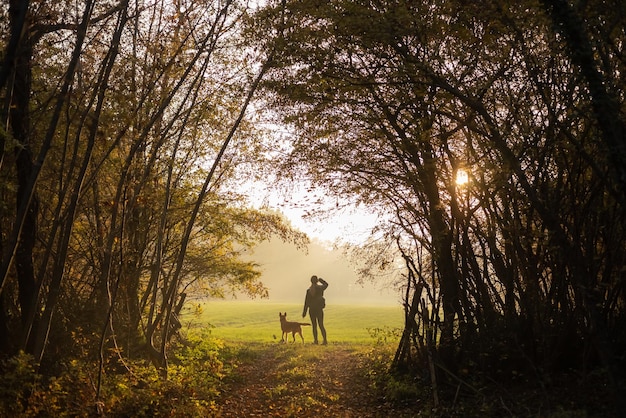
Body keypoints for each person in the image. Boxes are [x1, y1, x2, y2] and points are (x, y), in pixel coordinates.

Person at [302, 275, 328, 345]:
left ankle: (316, 341)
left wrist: (304, 312)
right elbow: (326, 284)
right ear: (316, 281)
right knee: (321, 325)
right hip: (319, 309)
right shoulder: (320, 288)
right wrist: (321, 280)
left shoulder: (309, 291)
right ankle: (325, 340)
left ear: (311, 281)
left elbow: (306, 302)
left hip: (312, 310)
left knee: (314, 326)